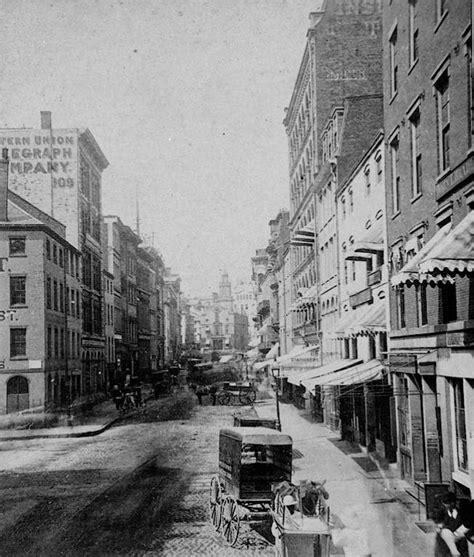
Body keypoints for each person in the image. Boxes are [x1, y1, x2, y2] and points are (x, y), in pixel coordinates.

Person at [436, 492, 470, 557]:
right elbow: (439, 526)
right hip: (447, 544)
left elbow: (467, 525)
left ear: (452, 503)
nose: (445, 506)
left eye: (447, 504)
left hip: (460, 542)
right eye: (444, 504)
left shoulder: (461, 513)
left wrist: (457, 534)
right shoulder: (442, 513)